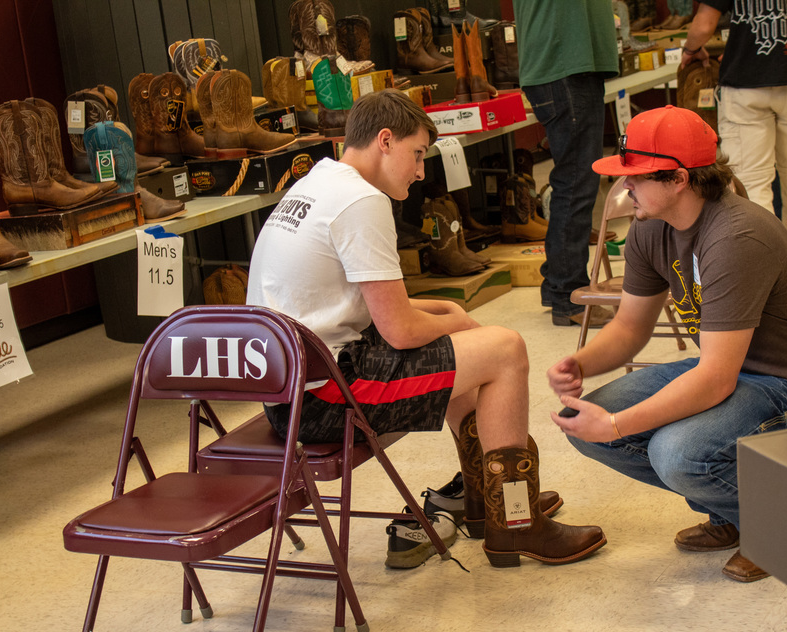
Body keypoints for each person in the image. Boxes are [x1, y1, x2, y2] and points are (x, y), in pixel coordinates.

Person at [246, 89, 606, 569]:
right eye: (417, 155)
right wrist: (456, 319)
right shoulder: (360, 200)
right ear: (386, 140)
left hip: (289, 392)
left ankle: (485, 504)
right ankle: (515, 525)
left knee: (457, 339)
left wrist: (442, 312)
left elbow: (353, 301)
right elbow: (397, 331)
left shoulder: (320, 182)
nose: (420, 172)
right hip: (326, 399)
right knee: (505, 348)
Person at [547, 106, 787, 582]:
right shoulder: (650, 227)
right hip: (728, 370)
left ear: (680, 178)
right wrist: (581, 362)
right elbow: (629, 328)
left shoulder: (737, 235)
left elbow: (714, 379)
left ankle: (776, 527)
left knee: (677, 453)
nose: (625, 188)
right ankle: (729, 513)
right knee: (580, 424)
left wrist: (618, 424)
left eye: (637, 178)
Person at [681, 0, 787, 310]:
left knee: (752, 188)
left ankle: (768, 291)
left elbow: (703, 26)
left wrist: (690, 50)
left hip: (746, 86)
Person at [512, 1, 619, 327]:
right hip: (565, 65)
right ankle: (567, 294)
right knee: (577, 180)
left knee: (576, 178)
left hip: (570, 63)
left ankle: (559, 284)